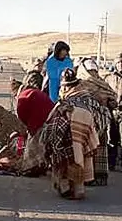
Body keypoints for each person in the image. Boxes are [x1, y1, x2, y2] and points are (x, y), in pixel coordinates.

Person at [39, 70, 100, 199]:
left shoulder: (65, 101)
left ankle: (66, 188)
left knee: (66, 159)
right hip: (85, 130)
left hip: (69, 132)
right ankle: (79, 190)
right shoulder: (87, 97)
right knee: (80, 157)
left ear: (66, 86)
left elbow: (51, 120)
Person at [60, 68, 112, 186]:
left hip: (92, 126)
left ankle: (84, 178)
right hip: (96, 125)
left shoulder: (72, 100)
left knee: (83, 151)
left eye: (65, 86)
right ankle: (93, 178)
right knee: (91, 149)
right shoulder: (86, 96)